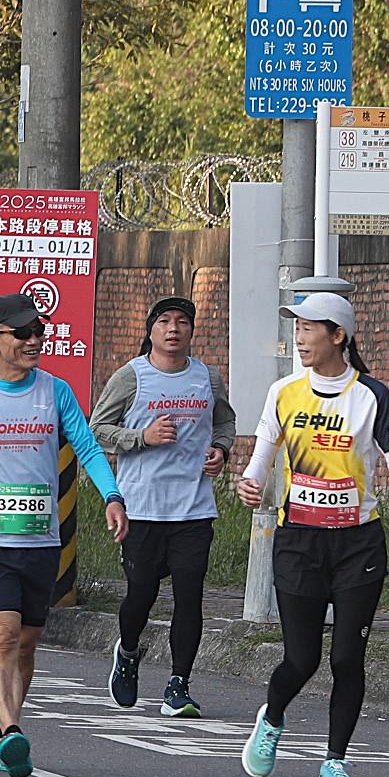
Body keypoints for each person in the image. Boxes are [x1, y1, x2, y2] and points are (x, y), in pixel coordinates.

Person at [237, 291, 389, 777]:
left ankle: (334, 764)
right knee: (302, 660)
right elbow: (260, 464)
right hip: (299, 544)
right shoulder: (283, 392)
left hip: (358, 547)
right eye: (297, 328)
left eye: (310, 328)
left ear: (339, 336)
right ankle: (274, 717)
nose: (300, 338)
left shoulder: (371, 396)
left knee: (348, 658)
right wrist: (249, 483)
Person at [0, 293, 128, 777]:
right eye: (22, 333)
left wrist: (112, 496)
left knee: (28, 642)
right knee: (2, 635)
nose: (35, 340)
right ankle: (13, 731)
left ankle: (1, 733)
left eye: (39, 332)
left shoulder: (55, 392)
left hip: (40, 541)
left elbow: (87, 447)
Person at [90, 296, 234, 718]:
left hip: (193, 509)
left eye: (183, 322)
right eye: (165, 321)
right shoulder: (132, 377)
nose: (174, 329)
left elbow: (225, 420)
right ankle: (129, 651)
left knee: (190, 597)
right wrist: (142, 437)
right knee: (141, 596)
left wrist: (221, 450)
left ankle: (179, 685)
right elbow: (97, 428)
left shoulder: (207, 377)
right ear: (151, 330)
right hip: (142, 508)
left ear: (192, 331)